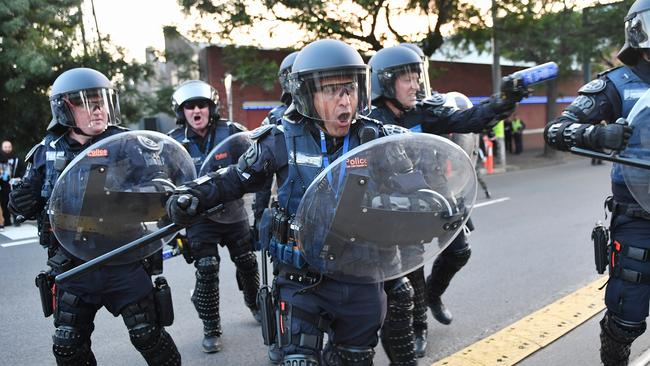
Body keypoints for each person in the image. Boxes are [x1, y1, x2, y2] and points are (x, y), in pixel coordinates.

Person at [166, 39, 389, 365]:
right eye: (331, 91)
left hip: (361, 277)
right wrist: (192, 195)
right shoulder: (280, 138)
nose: (345, 100)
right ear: (307, 95)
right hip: (300, 280)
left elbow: (413, 184)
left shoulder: (378, 137)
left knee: (353, 360)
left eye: (349, 89)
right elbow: (232, 179)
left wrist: (434, 200)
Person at [8, 67, 181, 366]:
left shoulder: (129, 143)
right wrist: (20, 201)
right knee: (67, 345)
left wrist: (153, 193)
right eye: (87, 102)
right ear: (64, 108)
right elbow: (24, 204)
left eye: (101, 100)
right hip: (73, 265)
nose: (98, 109)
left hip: (124, 256)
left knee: (148, 335)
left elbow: (162, 186)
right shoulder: (45, 151)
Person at [367, 45, 525, 364]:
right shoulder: (371, 120)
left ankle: (433, 294)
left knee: (459, 252)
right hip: (404, 206)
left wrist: (505, 100)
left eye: (417, 77)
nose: (415, 85)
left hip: (440, 199)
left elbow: (469, 118)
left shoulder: (428, 110)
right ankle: (418, 326)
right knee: (412, 263)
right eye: (407, 79)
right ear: (385, 83)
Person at [544, 1, 649, 364]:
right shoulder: (616, 84)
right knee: (626, 318)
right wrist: (598, 136)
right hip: (637, 217)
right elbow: (557, 131)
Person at [168, 79, 260, 353]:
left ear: (211, 108)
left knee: (247, 262)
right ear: (181, 112)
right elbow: (165, 186)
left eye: (201, 105)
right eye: (190, 107)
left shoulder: (233, 133)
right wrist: (174, 226)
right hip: (199, 219)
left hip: (233, 212)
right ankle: (211, 326)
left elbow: (254, 165)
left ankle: (254, 302)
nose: (196, 111)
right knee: (207, 269)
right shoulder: (173, 143)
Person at [0, 140, 23, 227]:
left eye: (9, 147)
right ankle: (6, 220)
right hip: (3, 185)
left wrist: (19, 178)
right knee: (4, 202)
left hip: (14, 184)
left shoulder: (16, 159)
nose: (7, 149)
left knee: (15, 202)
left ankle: (17, 219)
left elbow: (22, 170)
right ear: (2, 148)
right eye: (5, 147)